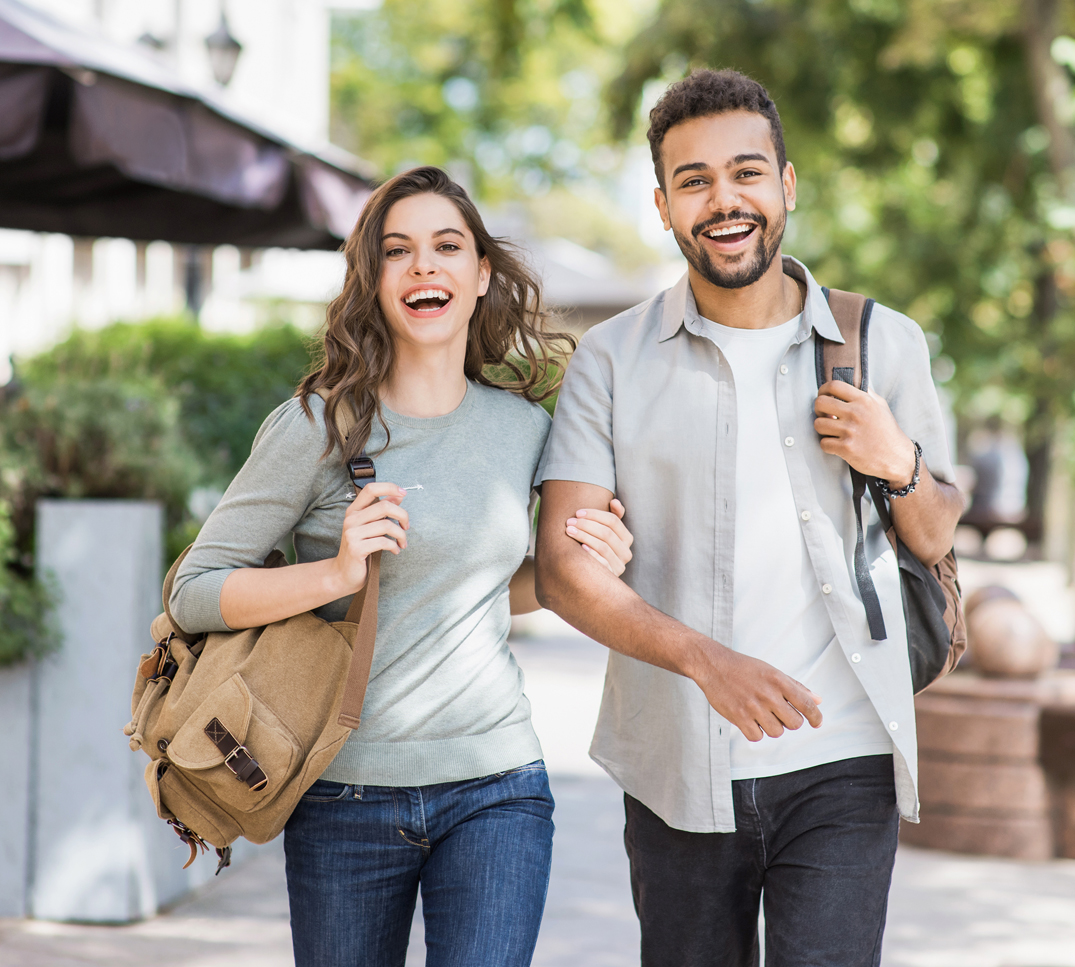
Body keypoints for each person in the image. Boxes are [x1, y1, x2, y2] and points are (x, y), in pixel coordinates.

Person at [535, 70, 964, 967]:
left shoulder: (882, 341)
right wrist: (707, 662)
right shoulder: (609, 359)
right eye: (693, 181)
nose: (723, 200)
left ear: (786, 185)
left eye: (745, 172)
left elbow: (934, 534)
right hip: (675, 762)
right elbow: (563, 573)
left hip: (844, 754)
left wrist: (898, 462)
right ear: (662, 205)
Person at [168, 166, 634, 967]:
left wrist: (587, 564)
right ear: (374, 280)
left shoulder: (524, 429)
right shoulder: (317, 426)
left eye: (447, 246)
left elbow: (489, 586)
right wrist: (335, 573)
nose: (423, 265)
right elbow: (192, 592)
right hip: (342, 795)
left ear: (480, 274)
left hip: (497, 783)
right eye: (397, 250)